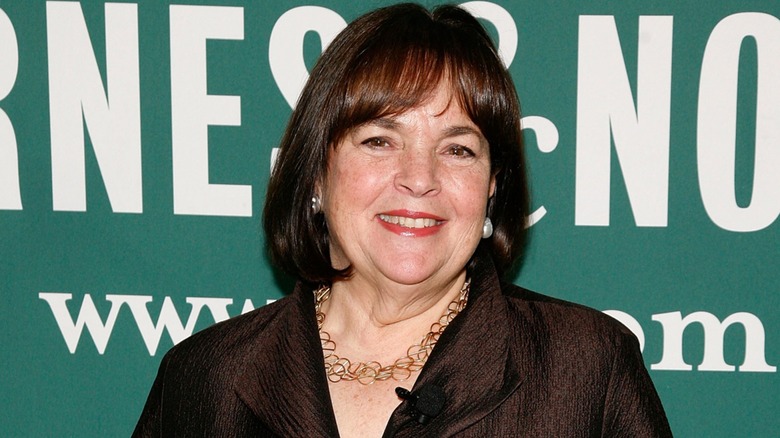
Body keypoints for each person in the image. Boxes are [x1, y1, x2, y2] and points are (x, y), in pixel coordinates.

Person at [133, 3, 672, 437]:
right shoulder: (204, 379)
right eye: (378, 141)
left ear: (492, 187)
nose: (419, 178)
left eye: (458, 149)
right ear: (317, 175)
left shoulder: (587, 369)